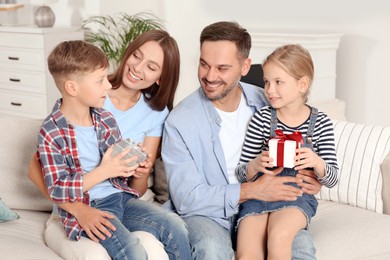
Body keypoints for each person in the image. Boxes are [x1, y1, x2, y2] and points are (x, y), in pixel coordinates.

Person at [161, 21, 323, 260]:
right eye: (204, 65)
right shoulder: (179, 122)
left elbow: (304, 136)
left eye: (222, 68)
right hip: (208, 215)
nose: (210, 76)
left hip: (267, 206)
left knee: (299, 248)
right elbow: (187, 199)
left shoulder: (268, 101)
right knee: (212, 249)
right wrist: (251, 190)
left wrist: (313, 178)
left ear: (245, 66)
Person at [33, 39, 191, 260]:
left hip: (120, 196)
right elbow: (50, 179)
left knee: (175, 227)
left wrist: (134, 166)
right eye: (137, 56)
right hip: (84, 203)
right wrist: (81, 205)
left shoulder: (106, 117)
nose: (137, 67)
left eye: (151, 66)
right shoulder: (62, 122)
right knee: (131, 250)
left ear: (160, 77)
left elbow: (128, 181)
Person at [234, 44, 339, 259]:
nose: (269, 90)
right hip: (258, 194)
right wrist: (255, 165)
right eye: (266, 82)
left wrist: (317, 162)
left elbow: (333, 178)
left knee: (278, 237)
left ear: (302, 84)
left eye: (278, 82)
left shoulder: (320, 123)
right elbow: (241, 174)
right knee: (247, 252)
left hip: (296, 196)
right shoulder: (261, 119)